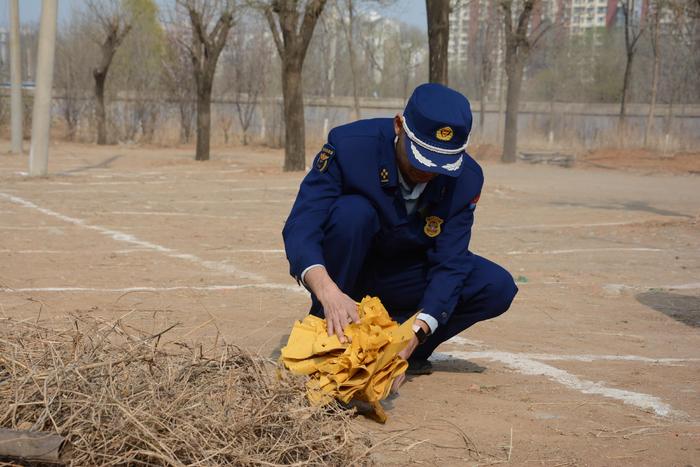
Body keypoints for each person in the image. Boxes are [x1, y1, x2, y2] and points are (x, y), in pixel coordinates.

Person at [282, 83, 518, 389]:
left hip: (405, 275)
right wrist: (327, 291)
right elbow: (302, 224)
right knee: (353, 213)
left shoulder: (466, 180)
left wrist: (416, 333)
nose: (430, 172)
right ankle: (325, 332)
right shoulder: (351, 147)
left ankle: (406, 352)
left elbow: (451, 261)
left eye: (443, 163)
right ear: (399, 126)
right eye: (422, 157)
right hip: (350, 271)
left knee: (495, 285)